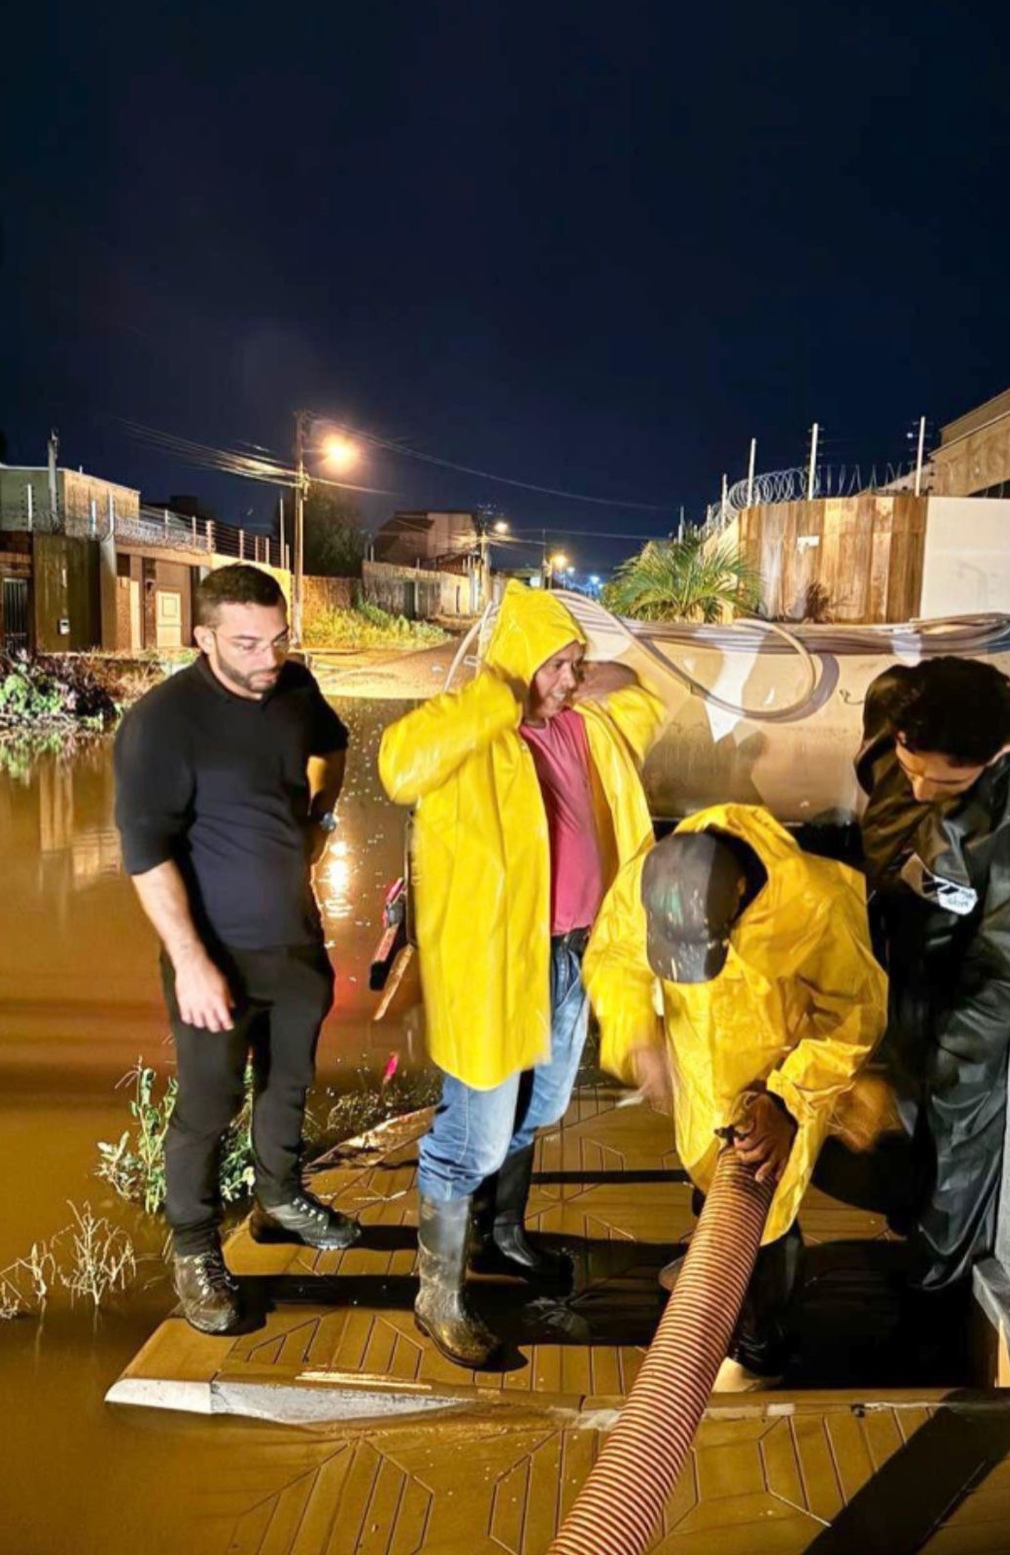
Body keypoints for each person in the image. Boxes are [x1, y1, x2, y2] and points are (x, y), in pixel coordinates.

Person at [378, 581, 664, 1369]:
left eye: (575, 663)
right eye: (559, 665)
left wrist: (608, 678)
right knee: (470, 1137)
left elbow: (642, 710)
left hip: (574, 952)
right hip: (500, 965)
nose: (572, 679)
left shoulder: (582, 726)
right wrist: (499, 695)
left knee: (542, 1105)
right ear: (516, 667)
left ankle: (501, 1237)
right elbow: (397, 764)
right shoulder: (478, 738)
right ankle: (437, 1294)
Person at [114, 564, 357, 1336]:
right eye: (247, 643)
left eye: (278, 638)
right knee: (208, 1105)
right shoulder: (161, 723)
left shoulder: (294, 688)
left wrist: (319, 820)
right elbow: (145, 855)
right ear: (204, 636)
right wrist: (189, 959)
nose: (267, 657)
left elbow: (334, 745)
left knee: (289, 1083)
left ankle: (279, 1201)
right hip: (213, 958)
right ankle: (194, 1248)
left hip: (295, 941)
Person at [584, 804, 890, 1387]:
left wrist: (786, 1101)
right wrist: (638, 1035)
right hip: (701, 1087)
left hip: (775, 1102)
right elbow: (615, 957)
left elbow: (855, 1015)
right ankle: (717, 1268)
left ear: (742, 889)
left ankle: (759, 1347)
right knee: (709, 1188)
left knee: (765, 1222)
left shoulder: (814, 902)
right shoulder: (653, 874)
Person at [856, 656, 1010, 1295]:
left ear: (998, 752)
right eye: (909, 765)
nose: (919, 788)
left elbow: (1009, 975)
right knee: (896, 1108)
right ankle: (903, 1210)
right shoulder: (896, 698)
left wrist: (927, 1057)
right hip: (904, 933)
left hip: (967, 978)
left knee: (959, 1122)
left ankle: (939, 1280)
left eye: (944, 783)